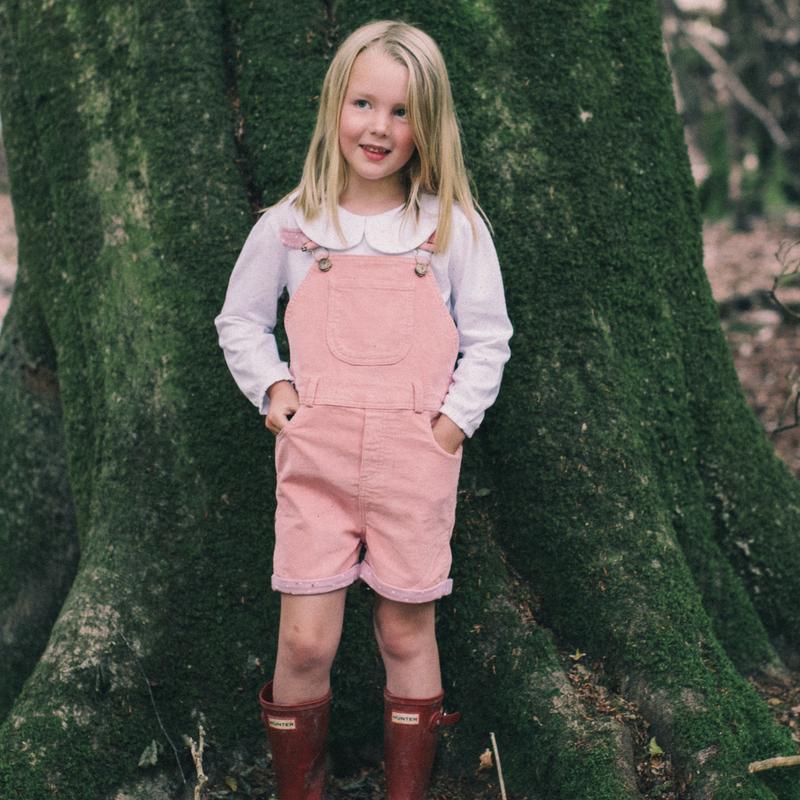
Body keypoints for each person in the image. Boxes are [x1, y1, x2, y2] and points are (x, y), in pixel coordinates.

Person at [214, 19, 512, 800]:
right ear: (334, 108)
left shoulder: (449, 228)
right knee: (306, 641)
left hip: (416, 464)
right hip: (314, 461)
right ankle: (298, 789)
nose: (379, 127)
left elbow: (489, 340)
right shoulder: (291, 224)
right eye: (364, 103)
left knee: (404, 629)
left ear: (428, 125)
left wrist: (450, 428)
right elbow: (239, 321)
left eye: (403, 111)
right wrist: (275, 392)